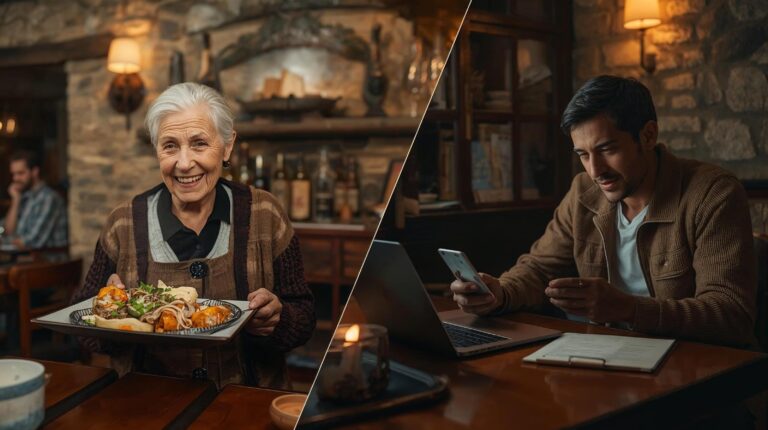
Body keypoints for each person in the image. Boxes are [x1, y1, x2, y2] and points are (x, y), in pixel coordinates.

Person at [451, 75, 756, 347]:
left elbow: (731, 313)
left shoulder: (713, 193)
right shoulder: (583, 192)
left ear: (648, 135)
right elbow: (539, 269)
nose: (596, 171)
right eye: (583, 154)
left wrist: (629, 309)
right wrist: (499, 293)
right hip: (604, 355)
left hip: (693, 365)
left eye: (608, 149)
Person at [71, 82, 315, 388]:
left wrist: (278, 320)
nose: (184, 164)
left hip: (247, 403)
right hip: (148, 401)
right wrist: (108, 315)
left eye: (199, 143)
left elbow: (305, 316)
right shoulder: (122, 224)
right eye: (170, 146)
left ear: (227, 146)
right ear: (156, 150)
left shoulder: (265, 213)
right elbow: (81, 324)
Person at [1, 150, 68, 250]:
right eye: (13, 174)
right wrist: (15, 201)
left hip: (47, 258)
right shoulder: (24, 197)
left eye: (20, 173)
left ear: (34, 172)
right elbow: (5, 230)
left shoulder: (49, 198)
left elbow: (31, 242)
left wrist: (5, 240)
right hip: (23, 256)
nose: (15, 178)